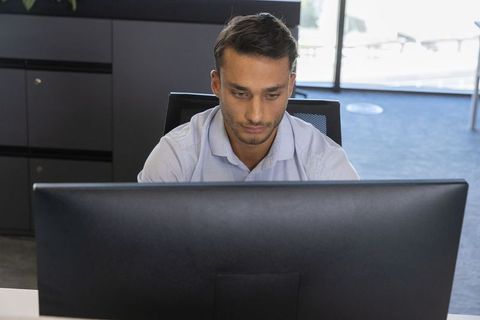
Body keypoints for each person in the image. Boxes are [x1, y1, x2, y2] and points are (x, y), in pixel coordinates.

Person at [138, 13, 358, 182]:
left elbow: (355, 236)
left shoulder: (324, 161)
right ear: (216, 84)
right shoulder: (175, 156)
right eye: (240, 93)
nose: (255, 115)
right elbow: (141, 237)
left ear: (290, 86)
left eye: (272, 94)